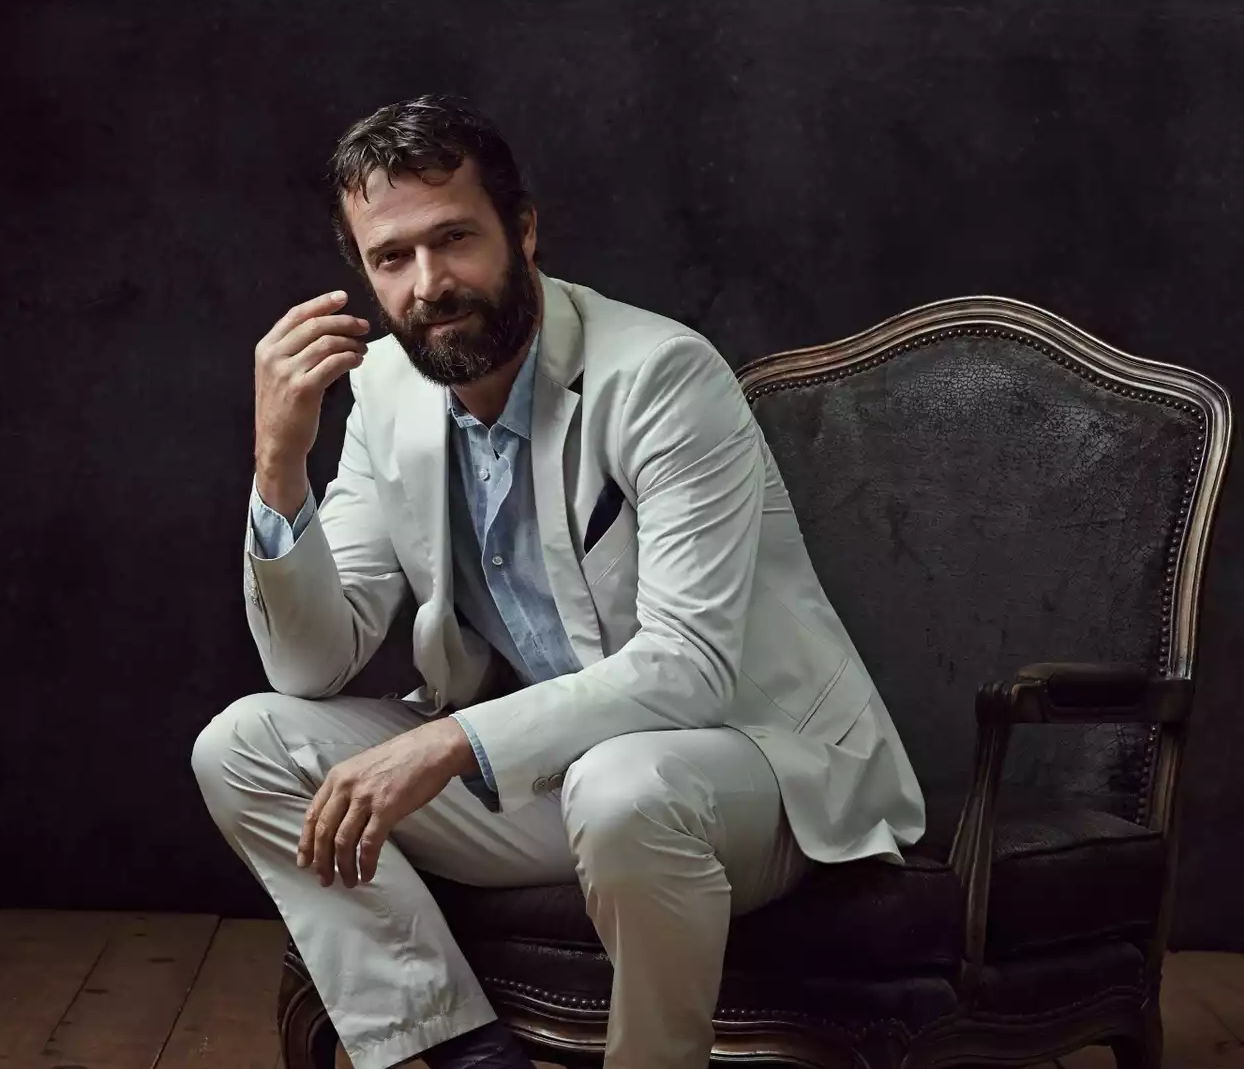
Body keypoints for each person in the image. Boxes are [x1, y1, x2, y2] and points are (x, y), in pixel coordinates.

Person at [190, 94, 925, 1069]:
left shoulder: (662, 374)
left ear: (524, 230)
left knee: (621, 788)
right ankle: (463, 1050)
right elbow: (310, 667)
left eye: (455, 239)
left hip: (757, 772)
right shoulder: (386, 391)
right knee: (242, 745)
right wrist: (279, 464)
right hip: (550, 773)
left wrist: (448, 743)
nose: (428, 284)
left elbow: (690, 669)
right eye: (392, 257)